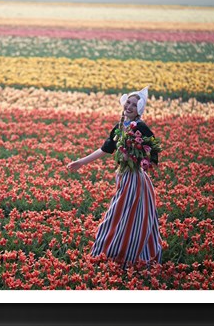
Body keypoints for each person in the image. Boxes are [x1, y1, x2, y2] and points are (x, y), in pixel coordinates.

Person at [67, 86, 162, 268]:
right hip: (123, 177)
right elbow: (106, 149)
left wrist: (143, 162)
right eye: (128, 102)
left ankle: (123, 255)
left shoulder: (139, 126)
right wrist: (81, 162)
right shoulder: (120, 126)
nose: (130, 106)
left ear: (139, 109)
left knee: (121, 214)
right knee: (123, 215)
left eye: (135, 104)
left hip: (135, 179)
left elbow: (154, 150)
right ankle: (115, 253)